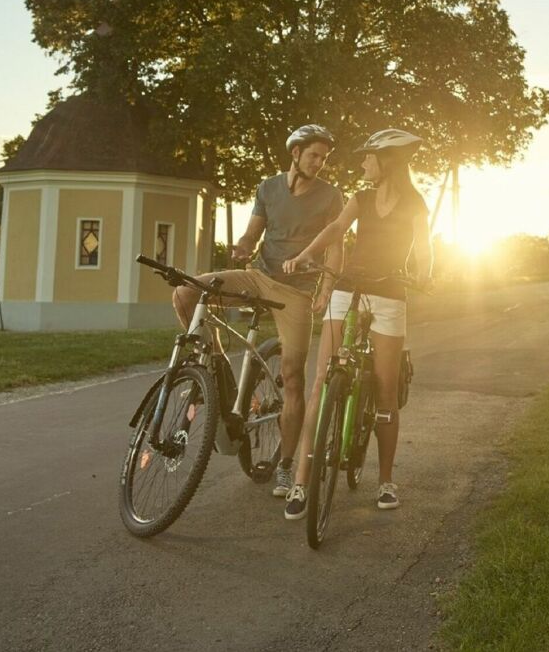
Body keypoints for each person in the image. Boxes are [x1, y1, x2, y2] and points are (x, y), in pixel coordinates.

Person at [171, 125, 344, 499]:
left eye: (324, 157)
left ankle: (284, 465)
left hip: (296, 292)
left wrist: (326, 288)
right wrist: (244, 246)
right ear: (295, 153)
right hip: (257, 276)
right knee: (186, 294)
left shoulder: (332, 196)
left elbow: (335, 246)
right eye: (314, 155)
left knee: (293, 377)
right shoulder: (268, 188)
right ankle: (218, 373)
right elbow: (254, 231)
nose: (320, 162)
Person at [281, 128, 432, 518]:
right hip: (348, 291)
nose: (363, 162)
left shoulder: (415, 203)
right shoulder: (360, 198)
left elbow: (423, 247)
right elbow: (335, 230)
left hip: (389, 295)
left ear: (387, 162)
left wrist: (425, 274)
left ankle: (384, 481)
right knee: (321, 381)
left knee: (384, 391)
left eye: (369, 157)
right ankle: (301, 481)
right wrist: (306, 253)